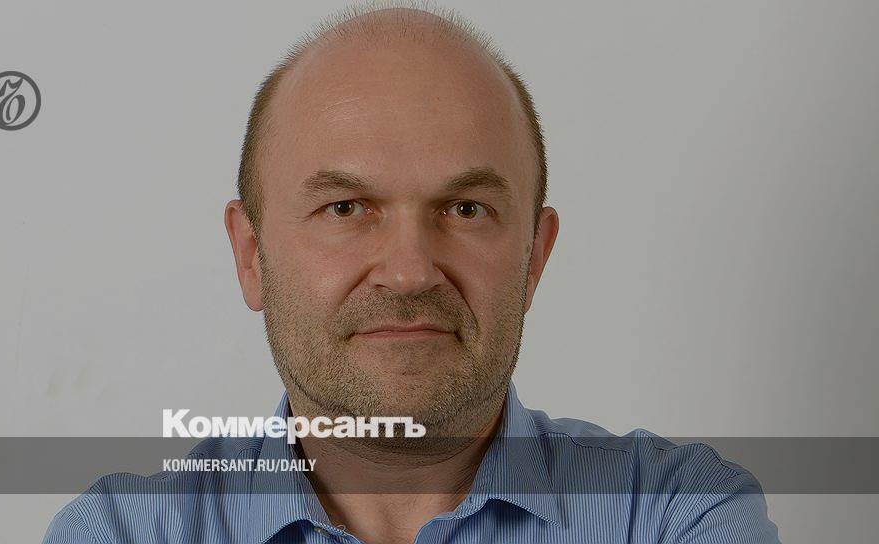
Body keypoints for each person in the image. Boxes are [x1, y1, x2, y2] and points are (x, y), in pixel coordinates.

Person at [44, 5, 780, 543]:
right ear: (250, 255)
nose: (408, 272)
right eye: (344, 208)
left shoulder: (673, 515)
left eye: (465, 209)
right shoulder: (123, 532)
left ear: (535, 256)